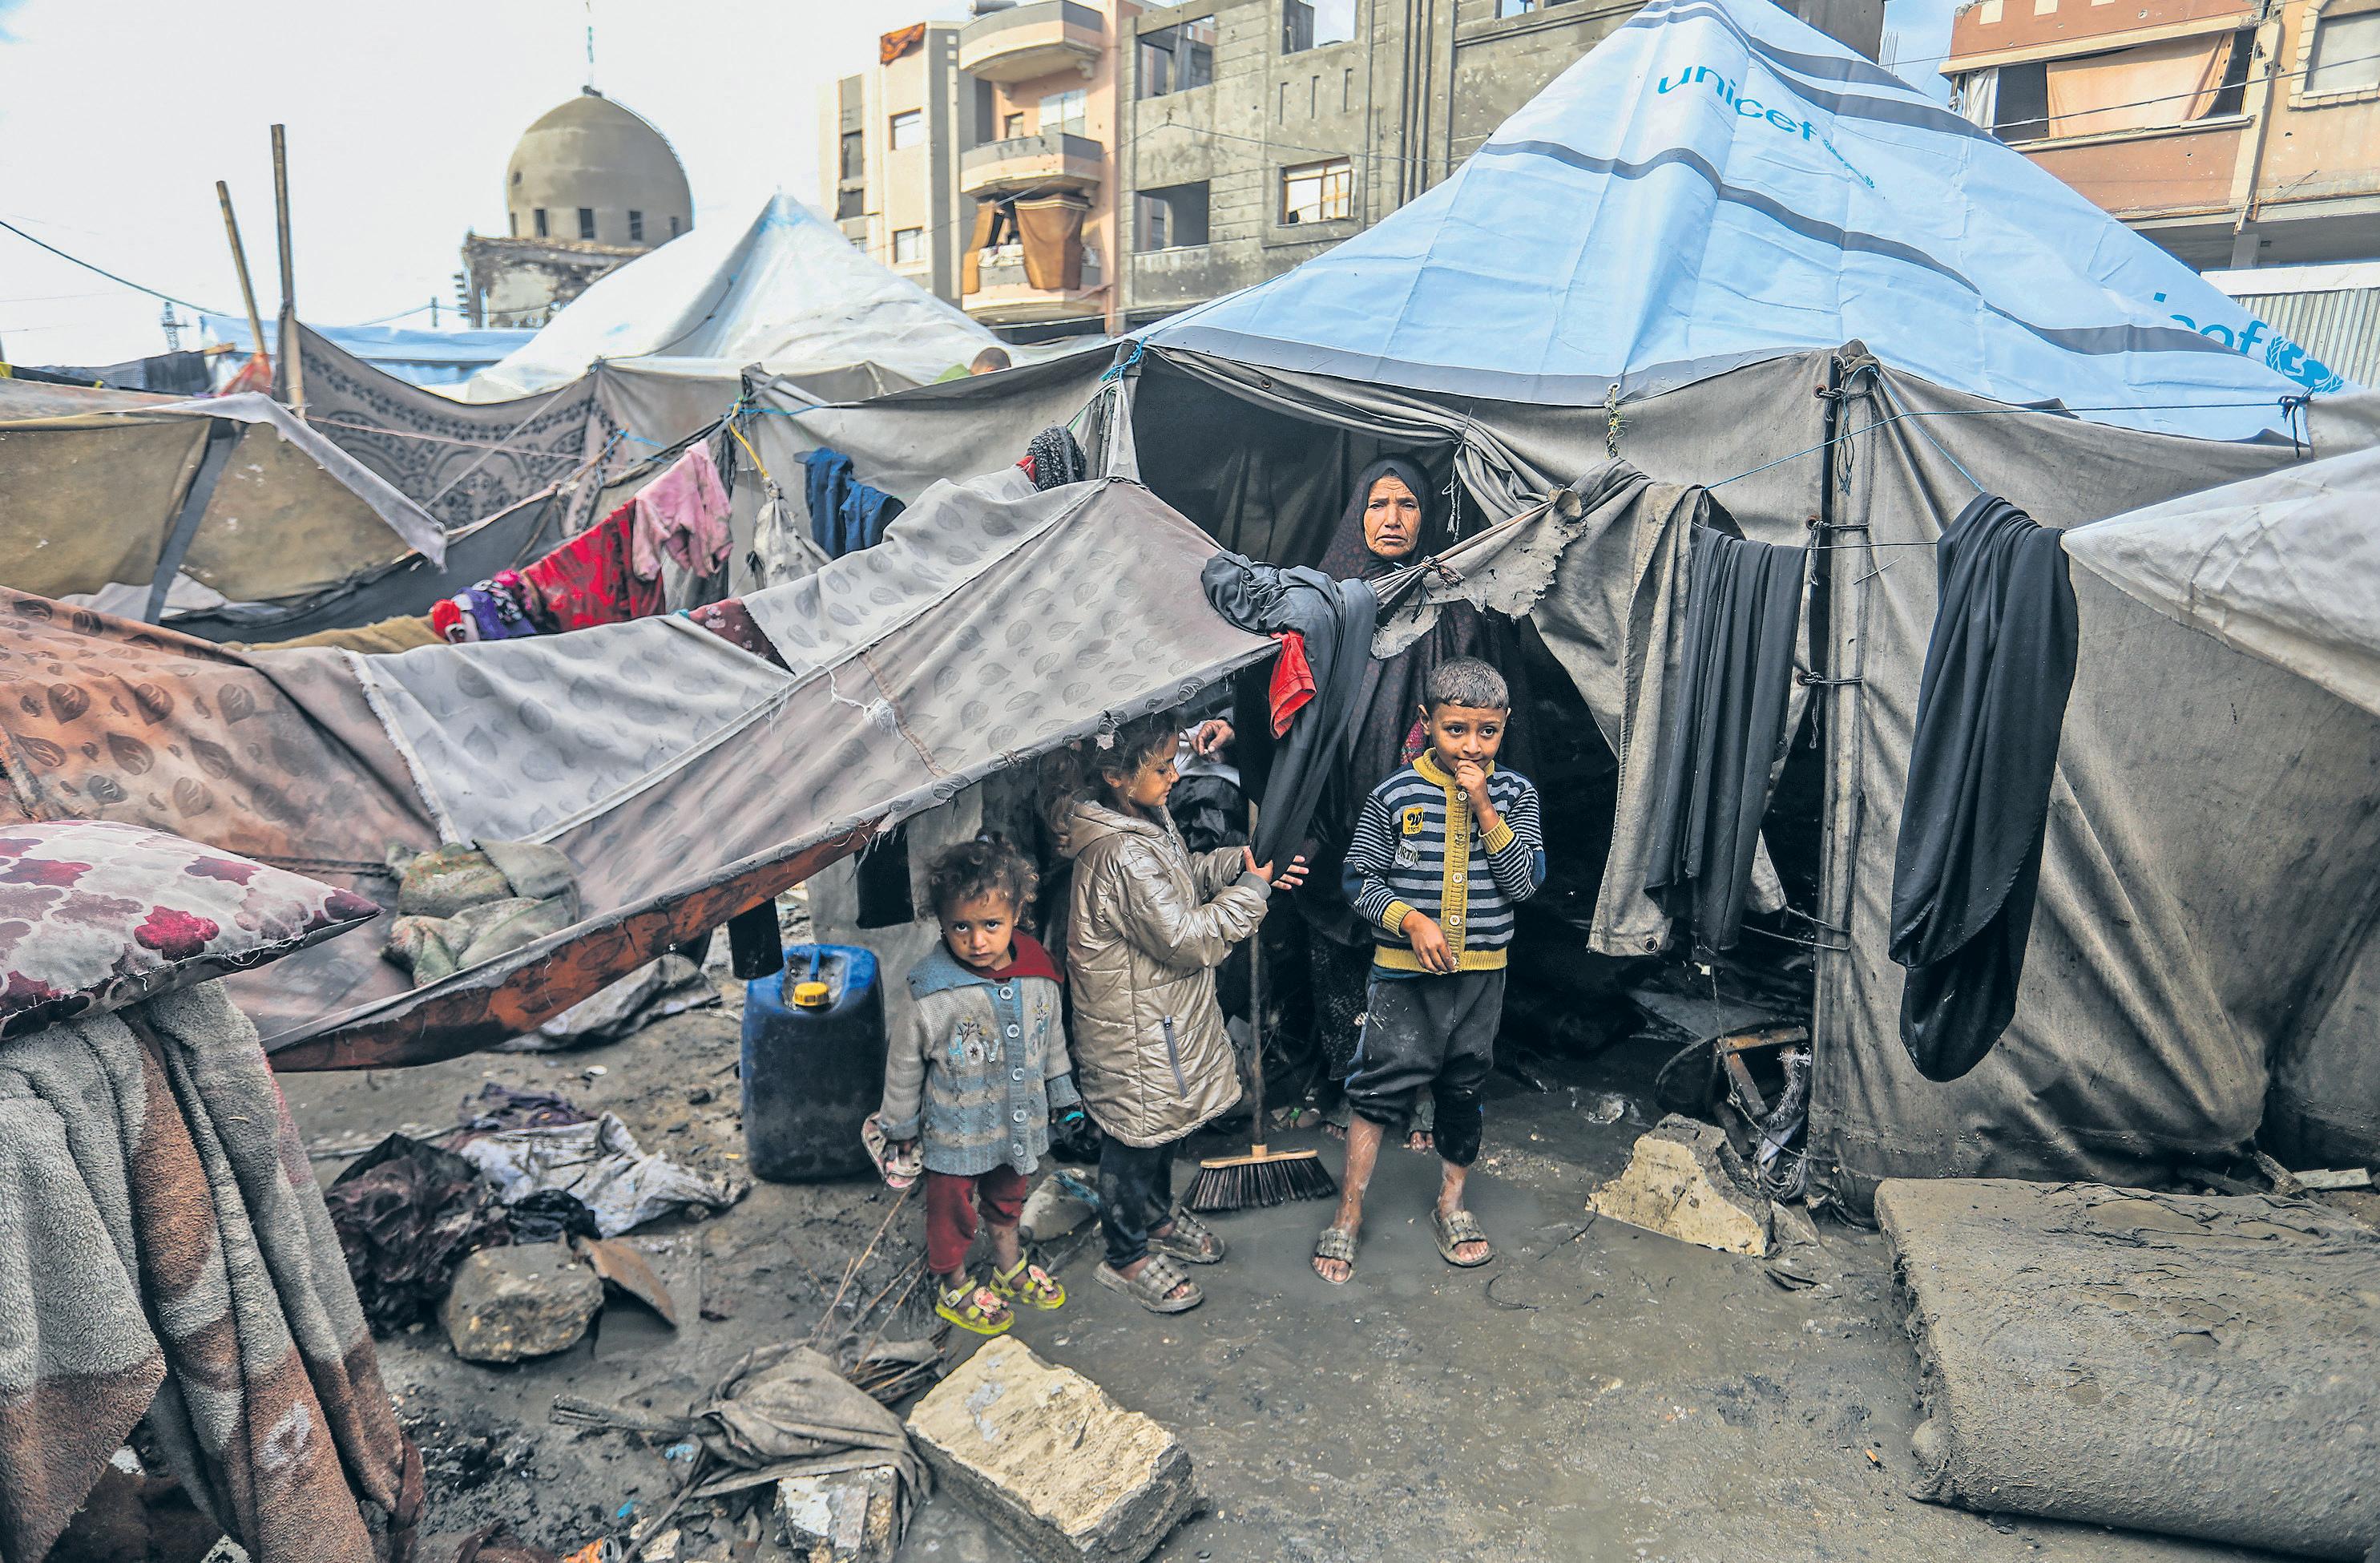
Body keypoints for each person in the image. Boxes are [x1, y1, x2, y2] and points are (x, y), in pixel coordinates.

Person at [1194, 455, 1532, 1152]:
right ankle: (1354, 1086)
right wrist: (1237, 726)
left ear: (1425, 517)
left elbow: (1486, 703)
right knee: (1339, 946)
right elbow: (1276, 684)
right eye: (1378, 505)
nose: (1393, 518)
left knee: (1423, 948)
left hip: (1426, 814)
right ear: (1358, 514)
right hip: (1332, 805)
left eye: (1407, 505)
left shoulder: (1450, 603)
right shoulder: (1325, 600)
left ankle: (1414, 1094)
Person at [1049, 711, 1306, 1314]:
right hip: (1135, 1025)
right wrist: (1254, 893)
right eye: (1162, 767)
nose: (1175, 776)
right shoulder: (1119, 854)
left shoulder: (1145, 820)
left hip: (1160, 1013)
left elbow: (1182, 879)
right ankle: (1126, 1254)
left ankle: (1157, 1218)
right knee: (1134, 1135)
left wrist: (1234, 864)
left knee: (1160, 1121)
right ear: (1115, 775)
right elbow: (1188, 937)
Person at [1313, 657, 1545, 1284]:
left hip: (1480, 978)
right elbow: (1359, 880)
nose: (1471, 745)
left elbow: (1524, 884)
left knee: (1466, 1084)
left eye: (1487, 732)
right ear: (1426, 722)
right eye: (1455, 729)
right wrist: (1411, 922)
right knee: (1378, 1086)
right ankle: (1349, 1211)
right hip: (1403, 978)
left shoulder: (1516, 795)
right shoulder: (1394, 795)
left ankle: (1452, 1202)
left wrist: (1484, 807)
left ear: (1505, 726)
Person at [875, 837, 1078, 1336]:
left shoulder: (1039, 976)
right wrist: (898, 1126)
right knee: (951, 1211)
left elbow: (1050, 1040)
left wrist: (1063, 1095)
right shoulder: (930, 991)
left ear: (1016, 915)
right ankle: (953, 1281)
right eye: (960, 927)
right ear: (941, 924)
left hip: (1018, 1124)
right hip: (954, 1133)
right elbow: (903, 1064)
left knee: (1010, 1196)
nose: (978, 940)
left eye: (992, 925)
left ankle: (1008, 1265)